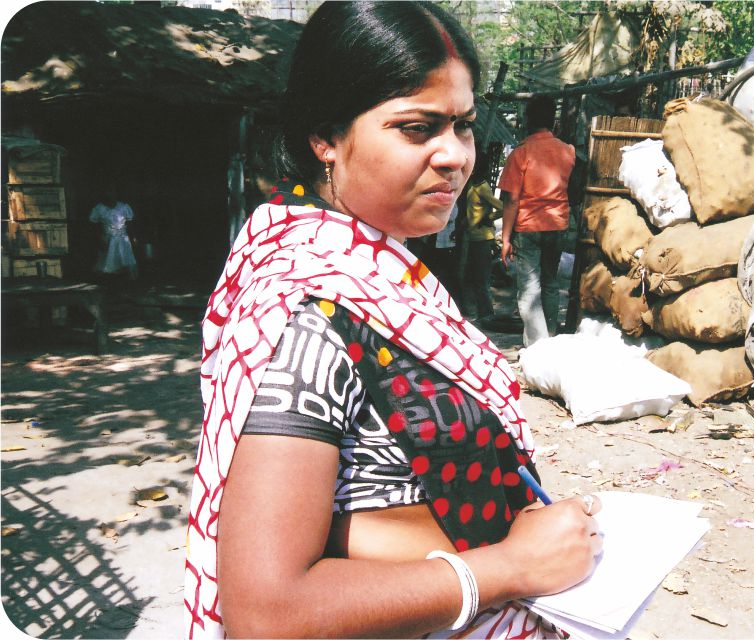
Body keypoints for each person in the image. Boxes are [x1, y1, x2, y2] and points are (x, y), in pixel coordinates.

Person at [182, 3, 600, 637]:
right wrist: (508, 568)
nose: (455, 155)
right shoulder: (308, 314)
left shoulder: (378, 266)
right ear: (326, 136)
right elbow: (266, 613)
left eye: (461, 126)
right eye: (416, 128)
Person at [498, 95, 575, 347]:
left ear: (528, 119)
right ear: (552, 119)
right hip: (558, 225)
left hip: (529, 227)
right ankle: (549, 340)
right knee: (550, 283)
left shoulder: (521, 153)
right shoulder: (568, 151)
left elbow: (511, 201)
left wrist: (506, 238)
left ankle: (538, 348)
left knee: (530, 289)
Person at [460, 145, 504, 325]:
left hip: (483, 239)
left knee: (482, 281)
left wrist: (489, 217)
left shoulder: (483, 187)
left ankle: (486, 316)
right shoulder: (473, 184)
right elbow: (471, 211)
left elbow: (502, 208)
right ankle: (482, 314)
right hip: (473, 237)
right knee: (475, 278)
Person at [89, 184, 137, 280]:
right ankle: (110, 284)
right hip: (107, 240)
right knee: (108, 265)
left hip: (123, 240)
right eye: (108, 192)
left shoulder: (124, 207)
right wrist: (99, 238)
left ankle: (125, 286)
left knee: (125, 262)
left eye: (112, 191)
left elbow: (130, 224)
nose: (110, 194)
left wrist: (133, 238)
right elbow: (94, 225)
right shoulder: (99, 208)